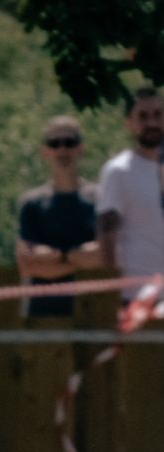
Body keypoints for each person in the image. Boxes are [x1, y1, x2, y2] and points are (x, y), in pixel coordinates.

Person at [16, 116, 100, 317]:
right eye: (55, 143)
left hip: (94, 313)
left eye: (69, 142)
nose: (62, 150)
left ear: (80, 148)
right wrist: (77, 258)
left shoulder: (101, 198)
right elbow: (27, 264)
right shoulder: (31, 203)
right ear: (45, 151)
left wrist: (54, 259)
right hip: (43, 316)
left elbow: (104, 256)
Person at [96, 86, 164, 296]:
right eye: (142, 117)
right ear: (129, 123)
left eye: (158, 115)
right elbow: (106, 234)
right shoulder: (119, 171)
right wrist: (110, 293)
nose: (151, 123)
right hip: (135, 296)